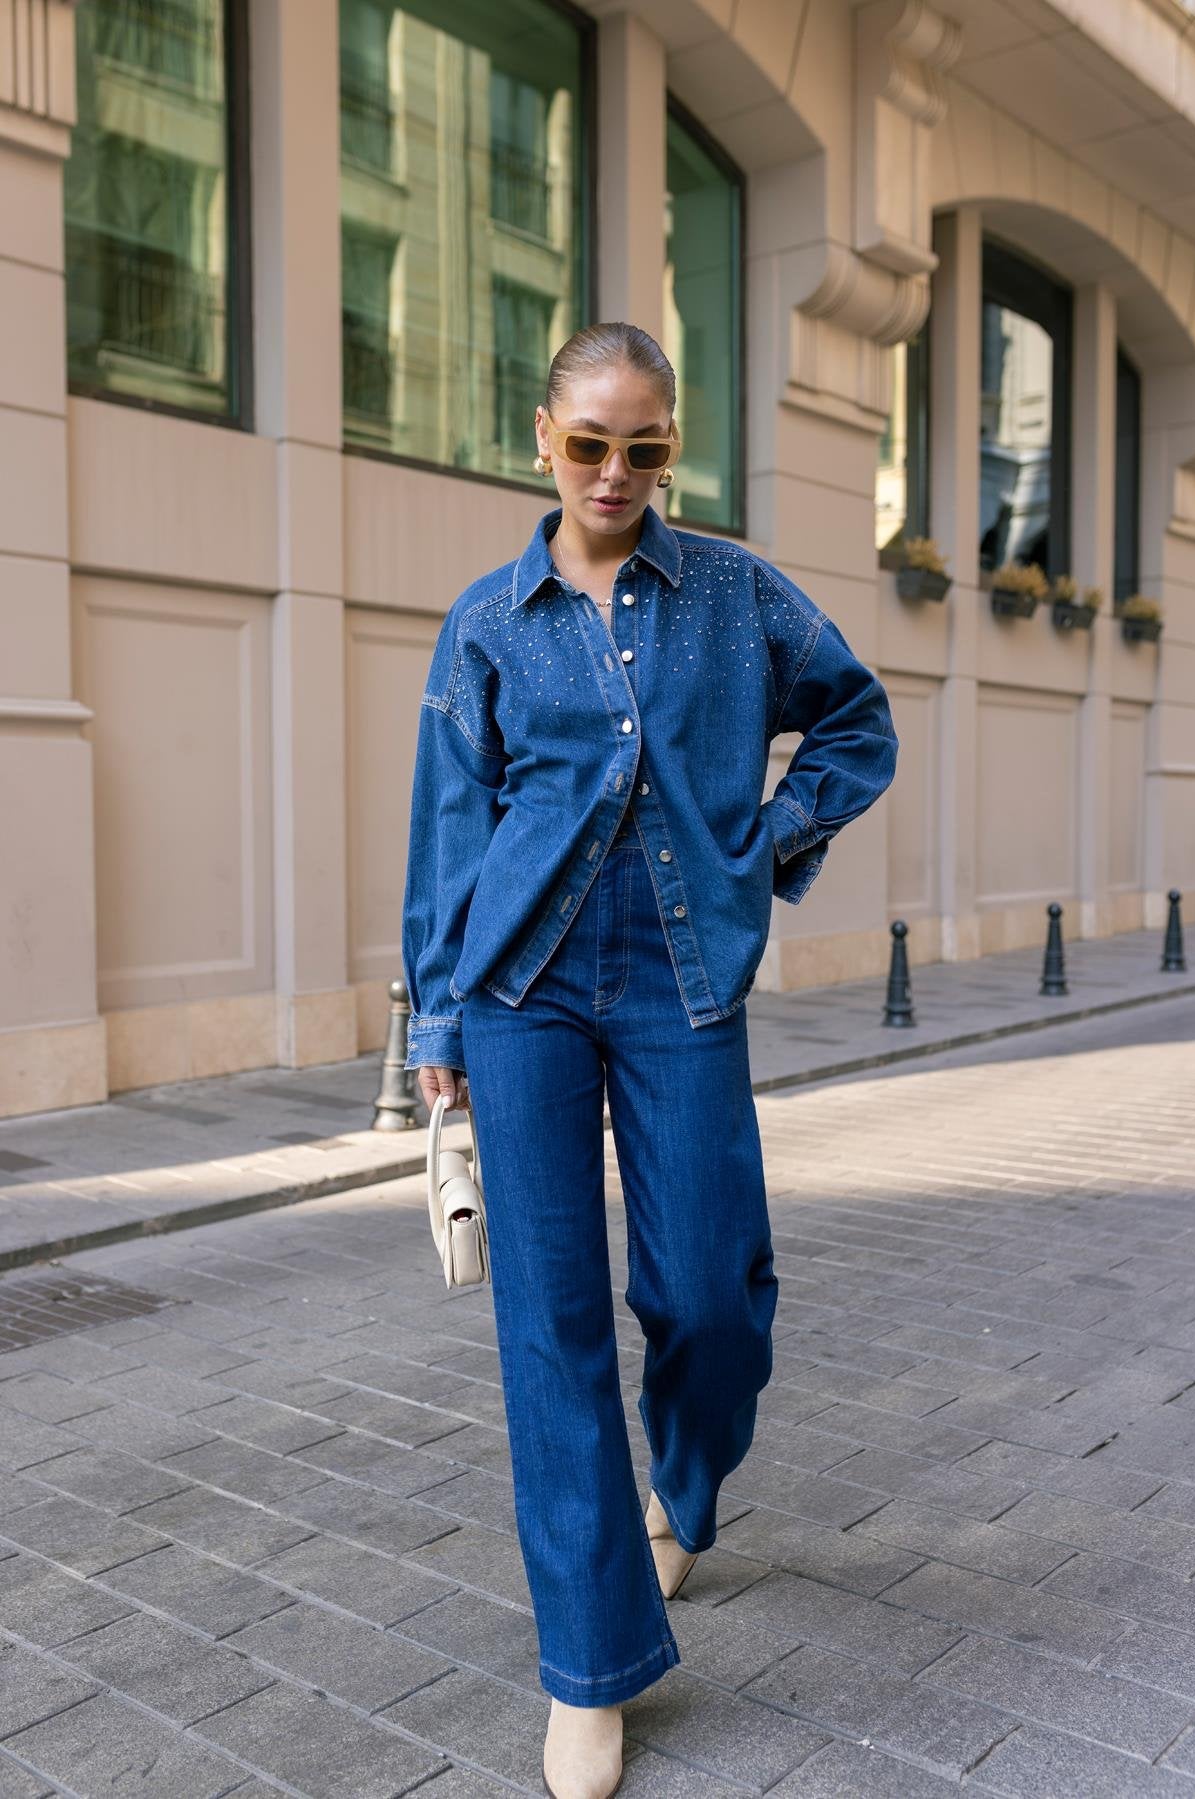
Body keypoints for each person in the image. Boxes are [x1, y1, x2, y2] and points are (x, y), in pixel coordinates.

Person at [402, 321, 898, 1799]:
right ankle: (592, 1665)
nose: (616, 472)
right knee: (548, 1324)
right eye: (589, 444)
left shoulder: (738, 596)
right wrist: (436, 1027)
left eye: (647, 448)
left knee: (710, 1290)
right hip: (524, 986)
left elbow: (856, 727)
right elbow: (448, 827)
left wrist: (762, 839)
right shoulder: (489, 620)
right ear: (540, 441)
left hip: (684, 973)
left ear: (672, 451)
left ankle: (686, 1488)